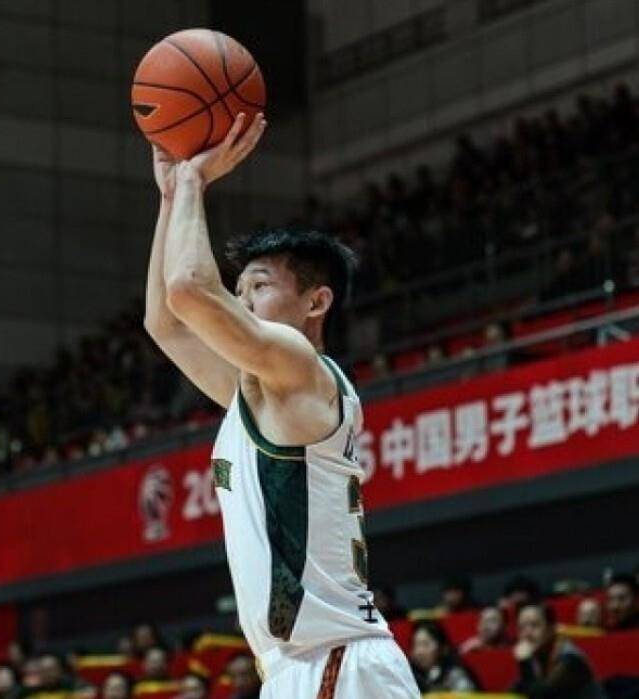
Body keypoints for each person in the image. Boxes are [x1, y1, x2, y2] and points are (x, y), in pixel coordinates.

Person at [143, 113, 418, 699]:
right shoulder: (255, 389)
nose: (242, 301)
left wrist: (194, 180)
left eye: (260, 287)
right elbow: (166, 323)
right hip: (299, 668)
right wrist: (170, 199)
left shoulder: (300, 368)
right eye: (237, 290)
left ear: (316, 303)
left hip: (336, 662)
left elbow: (189, 290)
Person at [512, 603, 607, 699]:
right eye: (521, 627)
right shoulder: (539, 655)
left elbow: (541, 695)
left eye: (534, 625)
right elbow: (520, 688)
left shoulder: (570, 660)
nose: (527, 633)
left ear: (551, 629)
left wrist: (525, 662)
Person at [410, 621, 479, 692]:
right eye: (415, 645)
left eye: (425, 644)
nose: (419, 651)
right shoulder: (411, 676)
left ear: (442, 647)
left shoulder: (455, 674)